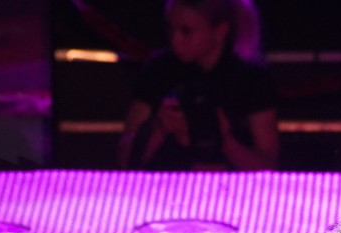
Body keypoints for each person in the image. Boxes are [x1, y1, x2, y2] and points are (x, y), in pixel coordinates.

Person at [117, 0, 278, 171]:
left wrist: (223, 140)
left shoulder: (250, 77)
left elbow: (268, 167)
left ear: (220, 31)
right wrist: (158, 127)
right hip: (164, 188)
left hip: (233, 192)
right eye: (170, 29)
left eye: (186, 31)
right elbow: (123, 160)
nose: (175, 40)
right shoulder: (159, 69)